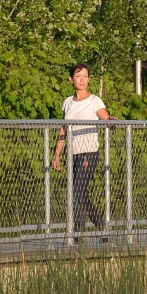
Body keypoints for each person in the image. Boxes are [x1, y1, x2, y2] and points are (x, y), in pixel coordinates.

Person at [53, 63, 110, 235]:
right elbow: (64, 128)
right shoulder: (68, 102)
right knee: (76, 194)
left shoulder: (95, 101)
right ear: (71, 80)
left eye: (85, 76)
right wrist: (57, 154)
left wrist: (111, 122)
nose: (82, 79)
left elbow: (106, 119)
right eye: (78, 76)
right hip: (73, 153)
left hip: (89, 152)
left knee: (77, 193)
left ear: (89, 79)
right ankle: (100, 227)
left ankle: (80, 234)